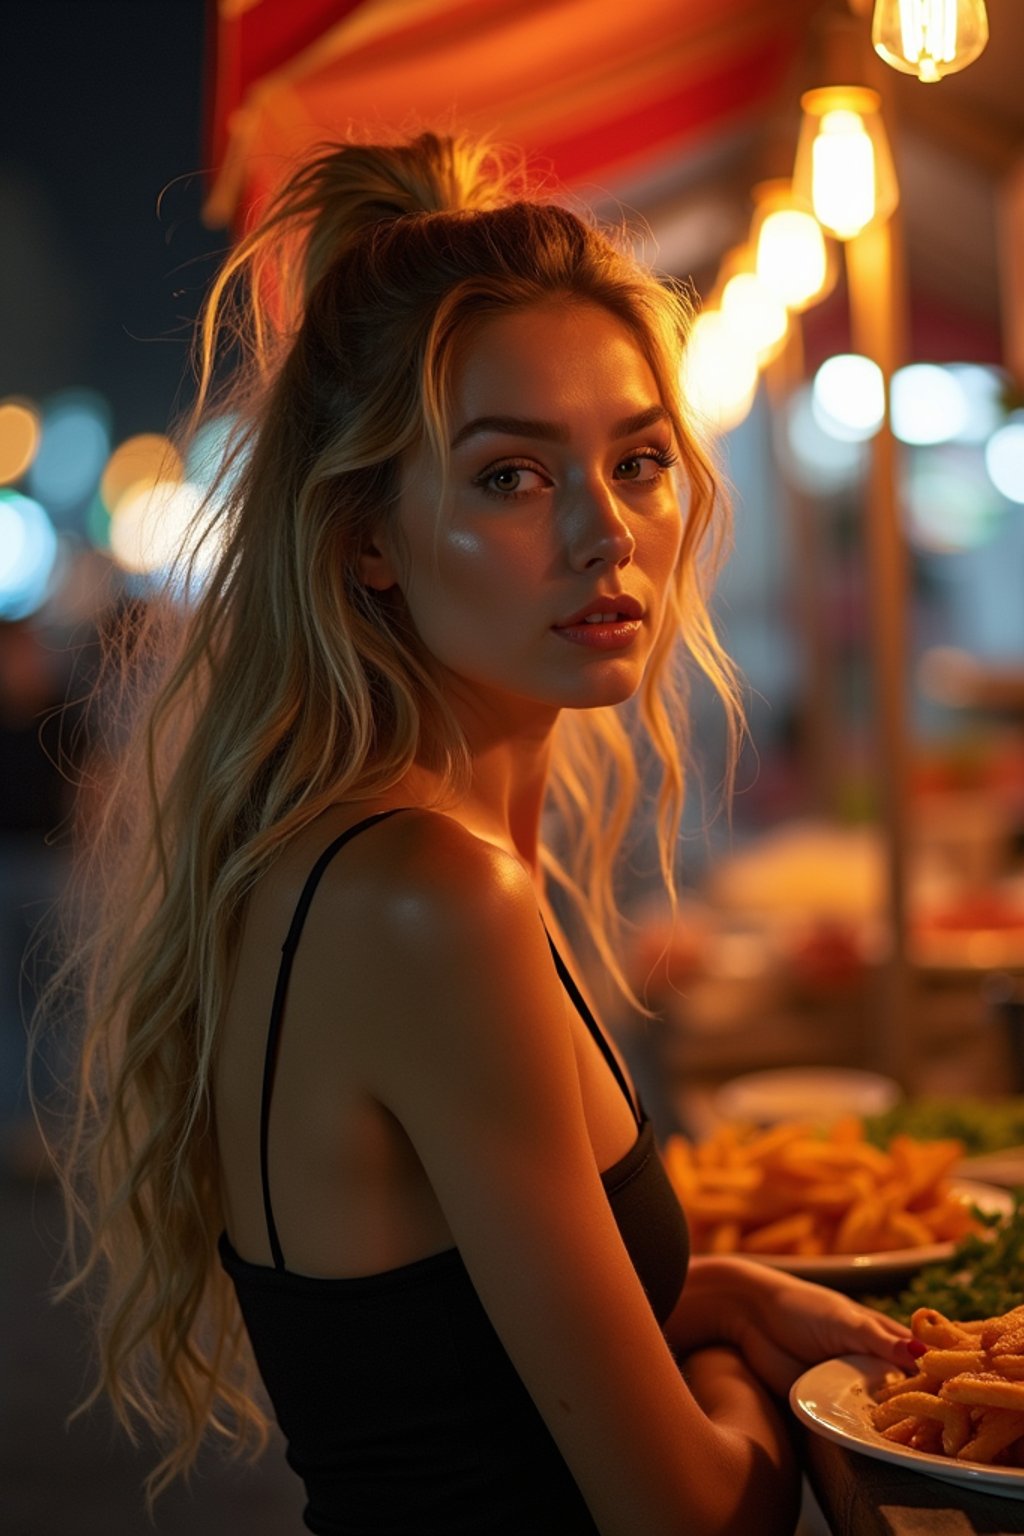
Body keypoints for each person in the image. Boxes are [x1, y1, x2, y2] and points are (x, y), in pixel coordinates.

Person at [48, 132, 921, 1536]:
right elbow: (686, 1519)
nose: (607, 533)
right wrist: (759, 1377)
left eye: (638, 460)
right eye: (513, 476)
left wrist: (709, 1293)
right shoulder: (432, 899)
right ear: (368, 533)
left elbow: (442, 1341)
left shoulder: (381, 852)